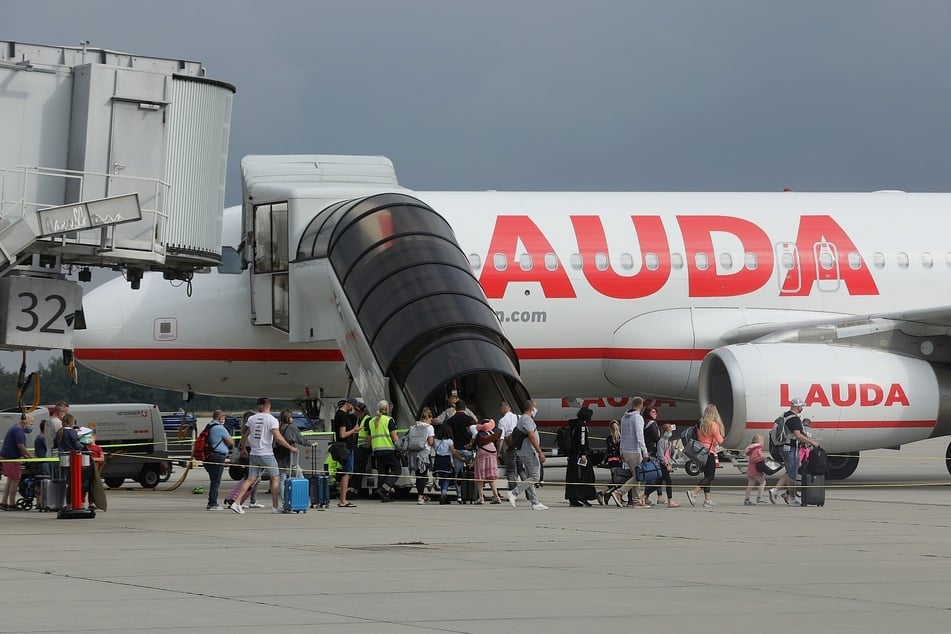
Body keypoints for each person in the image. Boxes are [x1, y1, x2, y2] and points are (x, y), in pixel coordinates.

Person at [231, 397, 297, 514]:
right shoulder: (272, 420)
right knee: (276, 478)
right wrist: (290, 447)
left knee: (251, 479)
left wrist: (243, 449)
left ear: (260, 406)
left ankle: (236, 502)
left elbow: (245, 435)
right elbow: (278, 437)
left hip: (254, 453)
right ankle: (275, 506)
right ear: (269, 405)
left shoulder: (252, 418)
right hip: (266, 453)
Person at [768, 397, 819, 506]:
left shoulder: (784, 415)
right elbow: (798, 435)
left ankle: (776, 490)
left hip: (783, 447)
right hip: (791, 448)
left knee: (790, 471)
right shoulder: (794, 419)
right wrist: (811, 442)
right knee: (792, 474)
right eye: (802, 407)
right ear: (799, 407)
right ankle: (792, 497)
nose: (802, 409)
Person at [506, 400, 547, 510]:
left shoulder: (522, 419)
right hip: (529, 452)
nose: (536, 410)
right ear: (531, 408)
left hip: (525, 451)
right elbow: (532, 437)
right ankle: (514, 493)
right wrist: (540, 452)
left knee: (530, 477)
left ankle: (535, 502)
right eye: (535, 408)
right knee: (535, 477)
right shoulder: (527, 420)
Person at [613, 397, 650, 508]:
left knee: (636, 475)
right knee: (638, 476)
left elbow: (622, 435)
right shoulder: (638, 418)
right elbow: (640, 436)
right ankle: (619, 493)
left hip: (625, 451)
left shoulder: (624, 417)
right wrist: (645, 451)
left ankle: (636, 500)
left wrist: (621, 451)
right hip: (635, 451)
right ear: (641, 405)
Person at [686, 404, 725, 508]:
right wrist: (722, 435)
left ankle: (707, 500)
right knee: (710, 476)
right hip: (709, 452)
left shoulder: (700, 423)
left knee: (706, 476)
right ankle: (694, 492)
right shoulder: (713, 425)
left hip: (699, 452)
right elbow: (720, 440)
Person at [365, 400, 400, 502]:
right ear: (387, 409)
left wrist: (367, 446)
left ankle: (383, 496)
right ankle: (384, 489)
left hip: (376, 451)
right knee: (397, 469)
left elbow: (369, 438)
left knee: (382, 472)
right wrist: (400, 448)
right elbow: (394, 436)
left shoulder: (371, 421)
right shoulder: (389, 420)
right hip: (388, 449)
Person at [564, 407, 596, 507]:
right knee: (586, 475)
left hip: (573, 455)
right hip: (579, 455)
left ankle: (573, 497)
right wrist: (583, 453)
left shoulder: (574, 424)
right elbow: (582, 440)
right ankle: (583, 496)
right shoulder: (582, 426)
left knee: (573, 476)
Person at [202, 410, 234, 510]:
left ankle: (212, 501)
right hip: (217, 456)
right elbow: (230, 442)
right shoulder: (220, 428)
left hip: (208, 456)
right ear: (220, 417)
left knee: (213, 480)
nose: (224, 419)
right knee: (216, 481)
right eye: (224, 417)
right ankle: (212, 503)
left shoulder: (209, 426)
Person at [1, 415, 33, 511]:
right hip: (12, 458)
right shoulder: (18, 430)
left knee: (10, 480)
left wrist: (25, 455)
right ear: (24, 423)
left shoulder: (15, 428)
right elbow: (21, 446)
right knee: (15, 479)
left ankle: (4, 502)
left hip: (7, 457)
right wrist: (29, 456)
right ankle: (11, 504)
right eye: (31, 424)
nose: (31, 426)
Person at [445, 399, 476, 499]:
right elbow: (475, 433)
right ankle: (472, 492)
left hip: (456, 450)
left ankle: (459, 494)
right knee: (471, 472)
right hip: (468, 449)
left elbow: (448, 435)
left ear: (455, 408)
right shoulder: (469, 419)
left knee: (457, 473)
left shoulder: (450, 421)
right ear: (465, 407)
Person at [334, 399, 361, 508]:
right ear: (349, 404)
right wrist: (354, 430)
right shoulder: (343, 415)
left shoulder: (339, 414)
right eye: (353, 407)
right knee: (347, 473)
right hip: (346, 447)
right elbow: (342, 434)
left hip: (344, 447)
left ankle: (342, 499)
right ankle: (343, 500)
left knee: (346, 472)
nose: (353, 409)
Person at [274, 408, 307, 494]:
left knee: (282, 478)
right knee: (299, 474)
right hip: (289, 455)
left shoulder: (278, 427)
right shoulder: (291, 427)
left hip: (278, 454)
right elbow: (299, 439)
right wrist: (310, 444)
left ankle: (284, 499)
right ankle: (302, 494)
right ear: (288, 418)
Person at [407, 407, 436, 505]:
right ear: (429, 417)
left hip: (414, 453)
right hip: (424, 454)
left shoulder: (416, 425)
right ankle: (421, 496)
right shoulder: (429, 427)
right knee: (423, 476)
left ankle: (421, 495)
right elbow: (430, 442)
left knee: (418, 475)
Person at [649, 423, 680, 508]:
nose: (670, 433)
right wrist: (667, 465)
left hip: (666, 464)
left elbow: (668, 455)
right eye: (668, 431)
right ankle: (670, 501)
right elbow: (660, 455)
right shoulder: (661, 441)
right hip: (662, 464)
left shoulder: (668, 442)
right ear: (664, 432)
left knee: (658, 483)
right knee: (668, 482)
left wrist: (670, 464)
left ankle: (644, 496)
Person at [433, 423, 464, 504]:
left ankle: (443, 493)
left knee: (442, 477)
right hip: (446, 460)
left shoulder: (435, 441)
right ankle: (443, 494)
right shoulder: (449, 441)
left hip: (438, 460)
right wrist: (461, 458)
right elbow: (453, 452)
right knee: (446, 478)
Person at [473, 419, 502, 504]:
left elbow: (474, 444)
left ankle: (481, 498)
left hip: (482, 452)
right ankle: (496, 496)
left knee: (480, 477)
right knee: (491, 477)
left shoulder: (479, 434)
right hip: (492, 452)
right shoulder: (493, 433)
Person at [596, 420, 623, 505]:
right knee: (619, 480)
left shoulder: (608, 438)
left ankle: (609, 494)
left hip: (611, 461)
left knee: (615, 480)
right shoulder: (620, 438)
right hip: (618, 461)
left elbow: (608, 450)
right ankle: (604, 493)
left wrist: (604, 460)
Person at [641, 406, 663, 504]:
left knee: (651, 475)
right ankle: (646, 496)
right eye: (652, 412)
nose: (654, 413)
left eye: (655, 412)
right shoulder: (652, 424)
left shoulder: (643, 423)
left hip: (646, 451)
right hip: (653, 452)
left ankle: (657, 496)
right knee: (656, 475)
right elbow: (656, 438)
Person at [350, 401, 372, 497]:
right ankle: (354, 488)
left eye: (355, 409)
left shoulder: (367, 420)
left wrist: (367, 445)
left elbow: (369, 434)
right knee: (356, 468)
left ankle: (355, 489)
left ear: (359, 410)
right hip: (358, 448)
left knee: (359, 468)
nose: (353, 411)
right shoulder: (359, 419)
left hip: (363, 449)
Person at [496, 401, 520, 491]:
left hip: (511, 448)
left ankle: (513, 492)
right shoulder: (519, 417)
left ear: (502, 409)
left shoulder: (502, 421)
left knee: (511, 471)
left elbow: (501, 438)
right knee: (522, 470)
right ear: (509, 408)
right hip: (521, 448)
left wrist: (498, 451)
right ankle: (529, 492)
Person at [744, 434, 768, 505]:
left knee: (750, 485)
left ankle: (747, 499)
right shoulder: (756, 450)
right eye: (762, 440)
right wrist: (763, 458)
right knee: (763, 482)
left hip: (750, 470)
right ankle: (759, 497)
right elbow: (753, 459)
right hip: (754, 471)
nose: (763, 442)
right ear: (758, 441)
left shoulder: (754, 450)